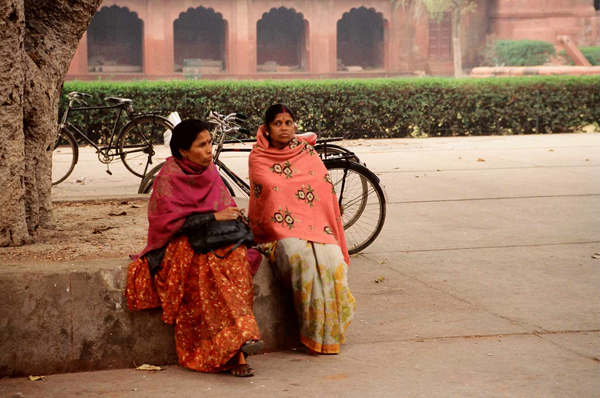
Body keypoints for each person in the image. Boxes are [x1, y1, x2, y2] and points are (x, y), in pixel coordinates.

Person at [126, 119, 263, 377]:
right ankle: (236, 349)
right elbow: (167, 225)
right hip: (180, 242)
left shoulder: (209, 171)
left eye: (210, 143)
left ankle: (238, 340)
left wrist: (230, 217)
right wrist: (212, 217)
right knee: (205, 268)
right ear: (183, 152)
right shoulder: (168, 178)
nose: (210, 149)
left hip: (215, 239)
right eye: (202, 145)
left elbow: (224, 206)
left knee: (235, 260)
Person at [248, 104, 356, 354]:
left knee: (333, 258)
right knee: (300, 256)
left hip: (315, 226)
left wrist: (316, 226)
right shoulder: (259, 157)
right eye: (278, 123)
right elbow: (267, 196)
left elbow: (322, 190)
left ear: (295, 125)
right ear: (267, 128)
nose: (284, 128)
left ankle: (330, 331)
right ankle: (312, 332)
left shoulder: (305, 151)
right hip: (277, 231)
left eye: (288, 122)